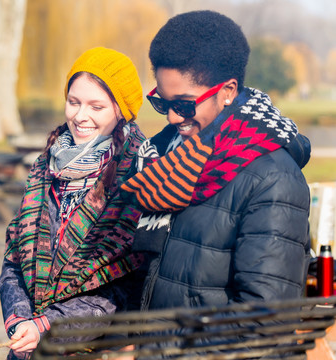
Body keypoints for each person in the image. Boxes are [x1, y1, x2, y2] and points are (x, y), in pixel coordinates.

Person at [121, 10, 311, 356]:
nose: (173, 117)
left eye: (183, 104)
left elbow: (263, 325)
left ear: (227, 91)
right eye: (162, 102)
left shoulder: (272, 179)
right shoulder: (163, 159)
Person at [0, 47, 146, 359]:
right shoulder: (45, 166)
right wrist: (20, 319)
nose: (80, 116)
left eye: (97, 106)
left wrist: (46, 325)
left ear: (122, 110)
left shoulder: (137, 177)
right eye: (74, 102)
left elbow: (120, 287)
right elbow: (15, 257)